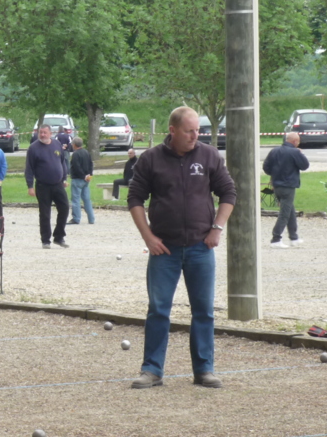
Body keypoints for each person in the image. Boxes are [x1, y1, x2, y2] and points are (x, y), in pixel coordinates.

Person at [127, 106, 236, 390]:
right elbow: (135, 199)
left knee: (203, 311)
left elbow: (228, 192)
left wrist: (217, 228)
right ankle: (152, 370)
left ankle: (204, 370)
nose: (194, 136)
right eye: (189, 131)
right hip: (165, 249)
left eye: (197, 130)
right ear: (172, 130)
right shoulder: (151, 159)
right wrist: (148, 237)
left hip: (201, 247)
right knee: (159, 309)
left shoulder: (209, 155)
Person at [26, 124, 70, 249]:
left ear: (50, 133)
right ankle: (45, 240)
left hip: (58, 184)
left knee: (65, 208)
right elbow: (29, 169)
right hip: (42, 185)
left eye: (45, 132)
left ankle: (59, 236)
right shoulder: (33, 148)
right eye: (41, 132)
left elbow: (62, 162)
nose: (43, 135)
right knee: (45, 213)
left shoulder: (56, 144)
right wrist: (30, 186)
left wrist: (64, 178)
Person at [263, 132, 309, 248]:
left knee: (290, 210)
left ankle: (294, 237)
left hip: (277, 185)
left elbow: (266, 167)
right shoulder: (294, 152)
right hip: (288, 186)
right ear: (295, 142)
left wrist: (275, 175)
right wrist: (301, 154)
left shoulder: (274, 151)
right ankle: (276, 239)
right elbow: (305, 166)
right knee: (285, 213)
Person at [68, 137, 95, 225]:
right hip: (86, 179)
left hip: (78, 179)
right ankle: (91, 219)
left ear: (74, 145)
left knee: (76, 199)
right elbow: (91, 164)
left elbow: (76, 167)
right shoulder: (86, 152)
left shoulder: (76, 154)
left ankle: (76, 218)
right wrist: (89, 175)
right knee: (87, 199)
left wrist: (83, 176)